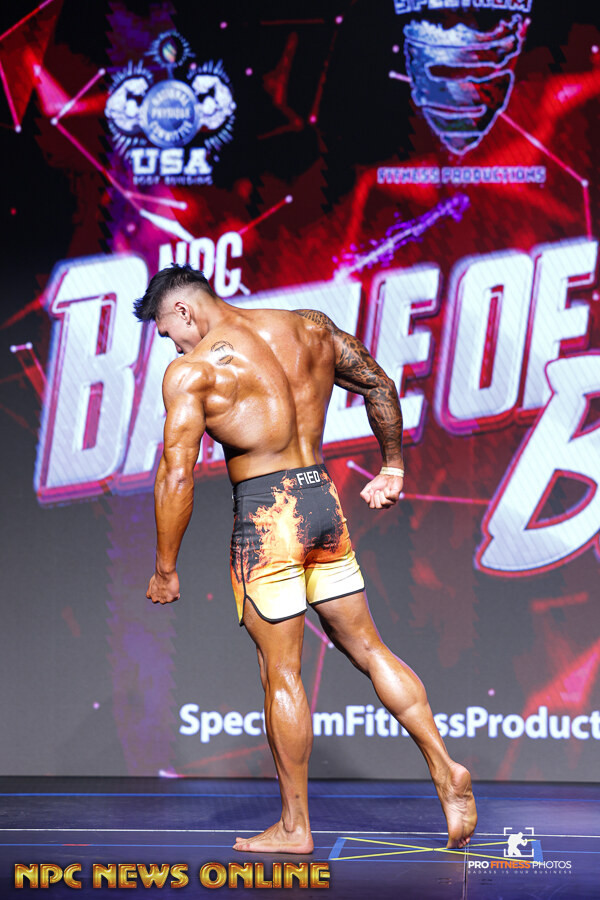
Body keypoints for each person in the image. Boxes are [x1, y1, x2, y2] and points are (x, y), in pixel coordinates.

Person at [134, 264, 477, 854]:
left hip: (266, 516)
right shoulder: (309, 328)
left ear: (184, 311)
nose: (174, 345)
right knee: (371, 649)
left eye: (169, 332)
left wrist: (166, 568)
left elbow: (176, 474)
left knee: (282, 674)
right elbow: (378, 383)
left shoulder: (193, 370)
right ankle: (446, 769)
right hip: (321, 503)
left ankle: (295, 827)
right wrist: (392, 467)